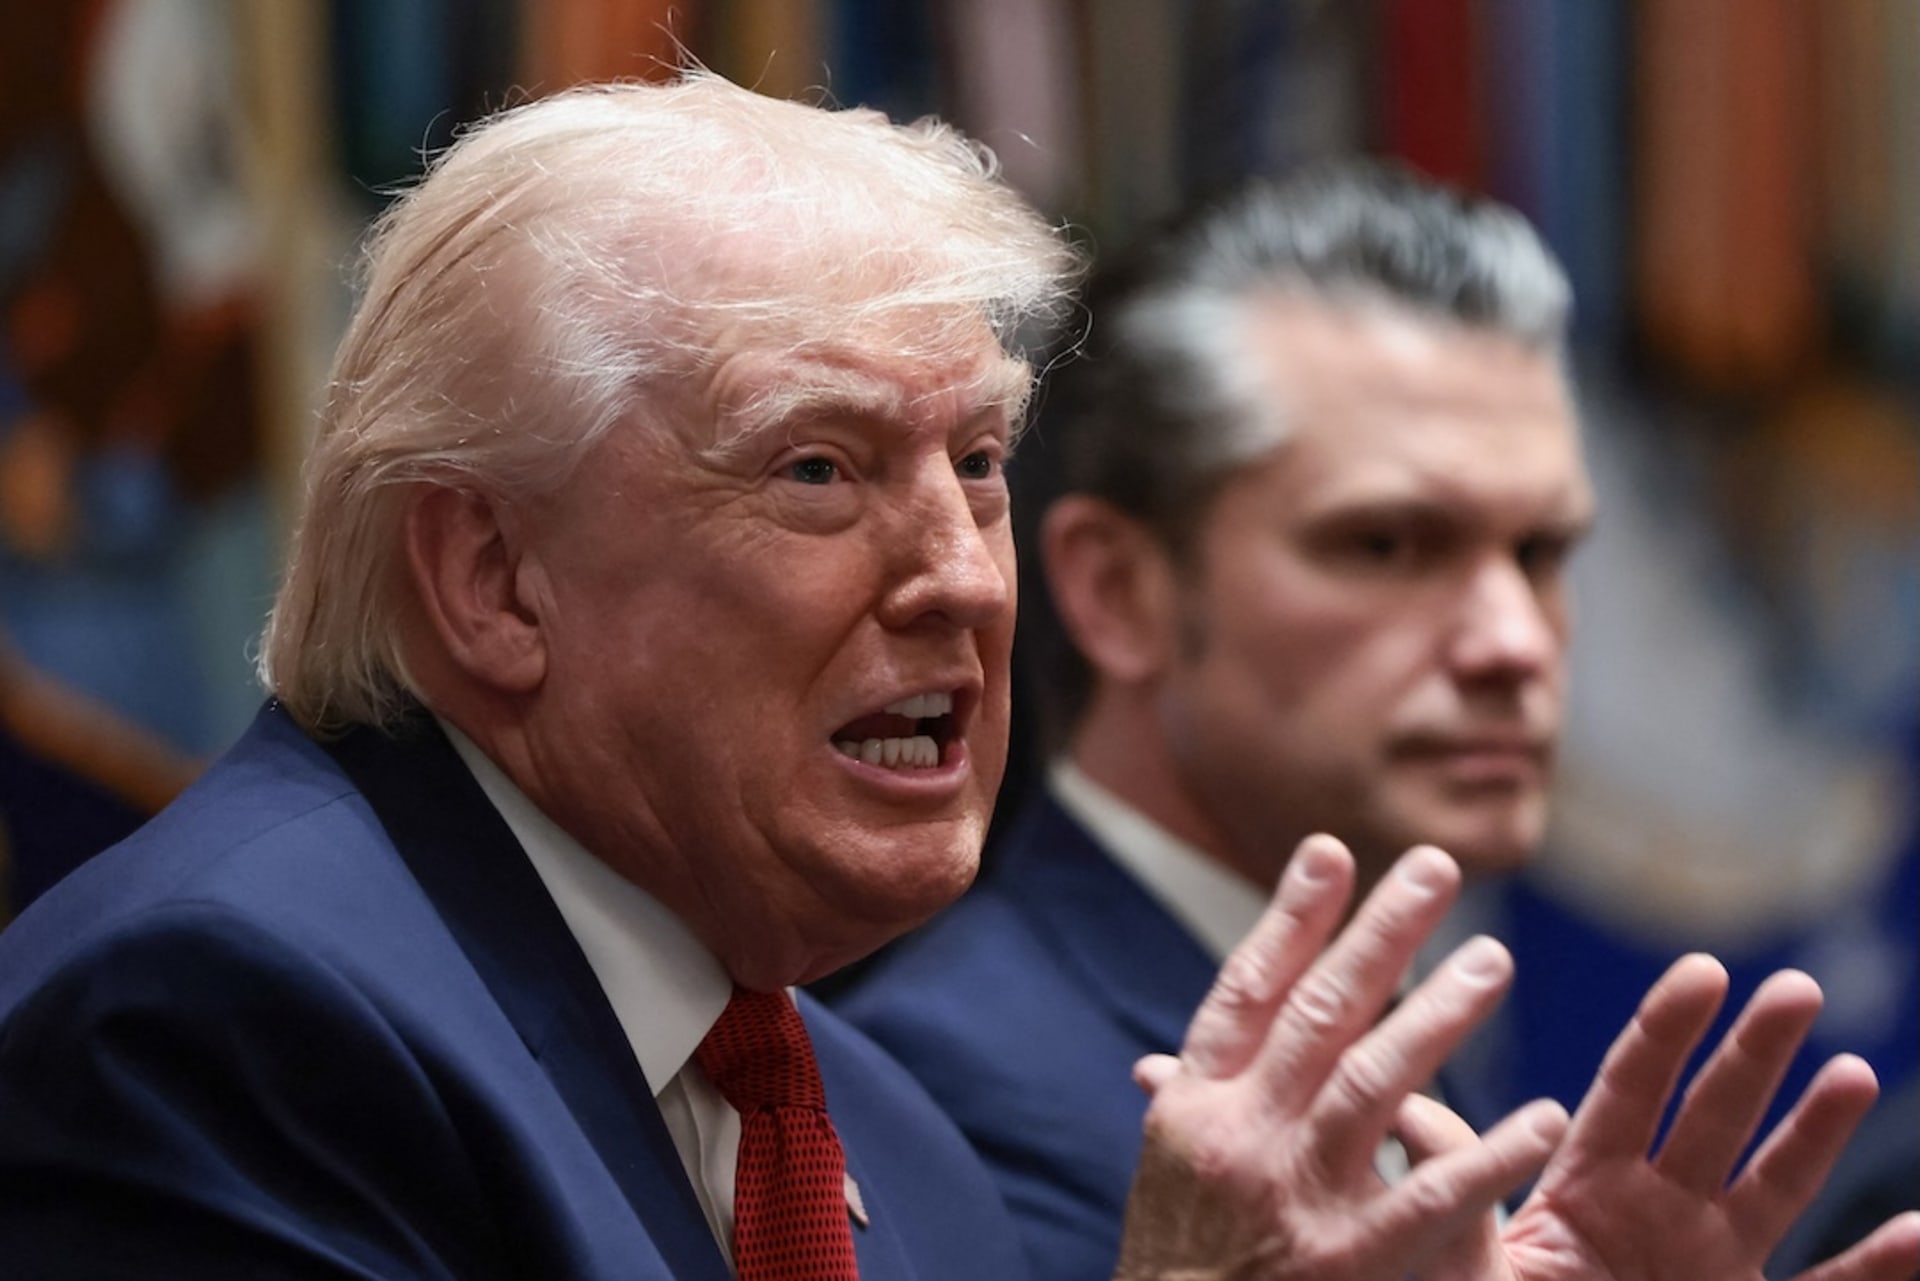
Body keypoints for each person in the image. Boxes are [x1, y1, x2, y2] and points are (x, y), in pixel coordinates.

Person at [0, 72, 1586, 1281]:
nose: (964, 576)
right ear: (492, 581)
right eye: (819, 470)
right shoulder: (220, 1021)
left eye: (976, 463)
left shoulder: (879, 1129)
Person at [835, 162, 1920, 1281]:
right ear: (1119, 592)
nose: (1512, 639)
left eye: (1542, 554)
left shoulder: (1376, 1024)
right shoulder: (942, 1091)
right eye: (1390, 545)